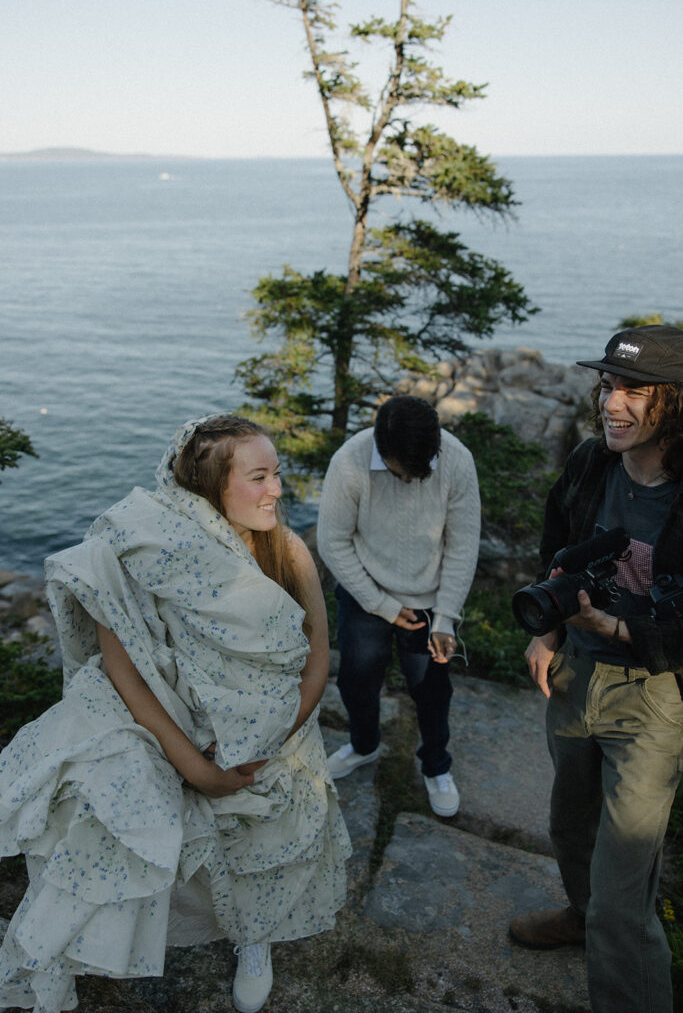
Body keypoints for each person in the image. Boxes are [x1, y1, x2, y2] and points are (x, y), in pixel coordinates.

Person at [0, 414, 351, 1013]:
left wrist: (262, 742)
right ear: (210, 487)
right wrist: (194, 764)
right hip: (175, 727)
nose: (276, 491)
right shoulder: (142, 550)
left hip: (276, 731)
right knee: (99, 796)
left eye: (278, 475)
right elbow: (123, 669)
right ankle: (64, 953)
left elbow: (317, 664)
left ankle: (253, 933)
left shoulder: (287, 550)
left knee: (269, 821)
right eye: (259, 476)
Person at [508, 325, 683, 1013]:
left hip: (654, 697)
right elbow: (558, 545)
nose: (611, 403)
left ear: (673, 401)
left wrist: (613, 625)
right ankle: (580, 920)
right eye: (607, 385)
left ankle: (616, 960)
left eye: (632, 389)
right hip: (577, 677)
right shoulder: (590, 463)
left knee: (624, 896)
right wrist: (549, 630)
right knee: (569, 826)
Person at [317, 394, 481, 817]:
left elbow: (462, 546)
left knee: (431, 691)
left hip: (428, 603)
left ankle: (436, 766)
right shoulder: (349, 462)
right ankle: (363, 745)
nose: (408, 479)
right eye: (399, 471)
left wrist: (446, 617)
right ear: (380, 449)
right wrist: (380, 604)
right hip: (364, 591)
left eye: (418, 471)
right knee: (356, 680)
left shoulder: (457, 461)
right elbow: (332, 542)